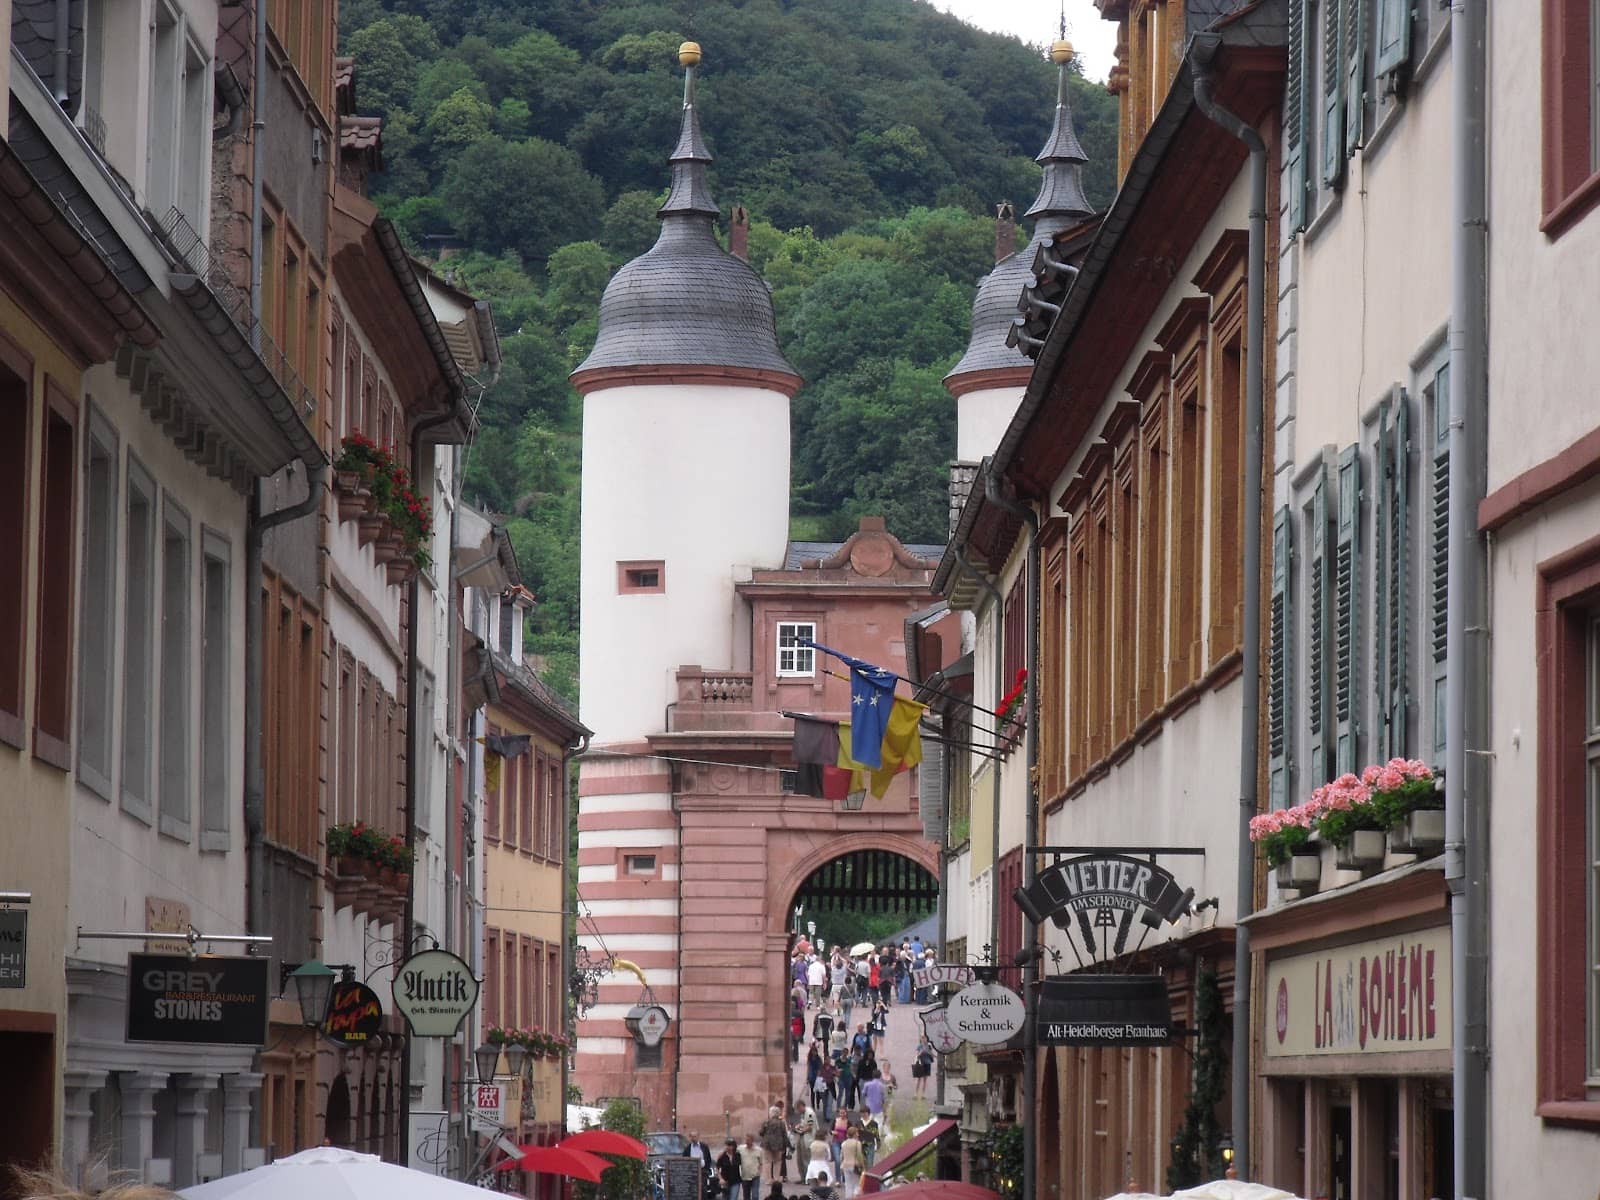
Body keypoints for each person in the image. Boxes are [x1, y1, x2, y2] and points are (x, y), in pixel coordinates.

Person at [759, 1104, 789, 1183]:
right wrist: (787, 1145)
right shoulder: (781, 1123)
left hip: (767, 1144)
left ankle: (768, 1179)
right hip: (778, 1145)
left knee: (767, 1161)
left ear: (771, 1113)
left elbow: (761, 1133)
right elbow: (784, 1134)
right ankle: (776, 1179)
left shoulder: (766, 1122)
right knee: (777, 1162)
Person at [792, 1098, 818, 1182]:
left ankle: (808, 1178)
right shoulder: (803, 1114)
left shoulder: (809, 1113)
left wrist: (801, 1131)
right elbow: (804, 1123)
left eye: (798, 1109)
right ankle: (802, 1177)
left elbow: (810, 1126)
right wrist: (798, 1126)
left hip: (808, 1138)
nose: (797, 1111)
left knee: (806, 1159)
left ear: (801, 1106)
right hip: (802, 1137)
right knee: (799, 1159)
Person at [838, 1125, 864, 1200]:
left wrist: (841, 1165)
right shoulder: (857, 1143)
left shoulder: (843, 1143)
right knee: (857, 1184)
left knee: (848, 1185)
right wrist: (862, 1165)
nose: (858, 1134)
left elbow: (841, 1156)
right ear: (854, 1134)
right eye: (857, 1133)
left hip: (845, 1165)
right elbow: (859, 1155)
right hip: (855, 1165)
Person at [738, 1132, 764, 1200]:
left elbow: (761, 1163)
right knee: (746, 1196)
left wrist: (759, 1172)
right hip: (745, 1176)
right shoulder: (740, 1149)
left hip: (755, 1176)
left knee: (755, 1196)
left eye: (748, 1140)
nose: (747, 1141)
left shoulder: (759, 1150)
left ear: (752, 1140)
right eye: (746, 1140)